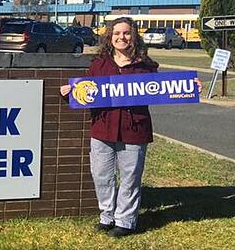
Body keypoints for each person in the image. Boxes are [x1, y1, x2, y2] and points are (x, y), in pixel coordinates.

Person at [60, 17, 199, 238]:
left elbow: (164, 89)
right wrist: (69, 93)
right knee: (101, 175)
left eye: (126, 33)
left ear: (133, 36)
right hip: (102, 128)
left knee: (130, 176)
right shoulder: (100, 64)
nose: (121, 37)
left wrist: (190, 87)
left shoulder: (146, 66)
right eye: (117, 33)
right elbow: (86, 92)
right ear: (110, 36)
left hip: (134, 129)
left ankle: (126, 221)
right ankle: (107, 216)